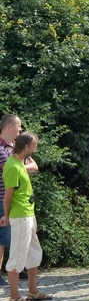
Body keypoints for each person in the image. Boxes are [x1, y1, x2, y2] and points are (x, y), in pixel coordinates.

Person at [2, 132, 53, 301]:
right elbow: (8, 196)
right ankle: (15, 298)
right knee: (16, 258)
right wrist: (6, 216)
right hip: (20, 216)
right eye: (34, 145)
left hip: (28, 214)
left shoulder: (19, 162)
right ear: (26, 147)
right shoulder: (13, 166)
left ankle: (32, 291)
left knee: (34, 253)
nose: (36, 149)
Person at [0, 114, 36, 287]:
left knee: (13, 241)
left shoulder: (15, 148)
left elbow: (34, 166)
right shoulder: (2, 150)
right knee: (3, 240)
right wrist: (19, 166)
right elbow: (8, 169)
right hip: (5, 199)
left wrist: (19, 165)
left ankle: (29, 287)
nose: (20, 129)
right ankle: (10, 288)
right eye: (18, 126)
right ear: (9, 127)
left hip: (19, 203)